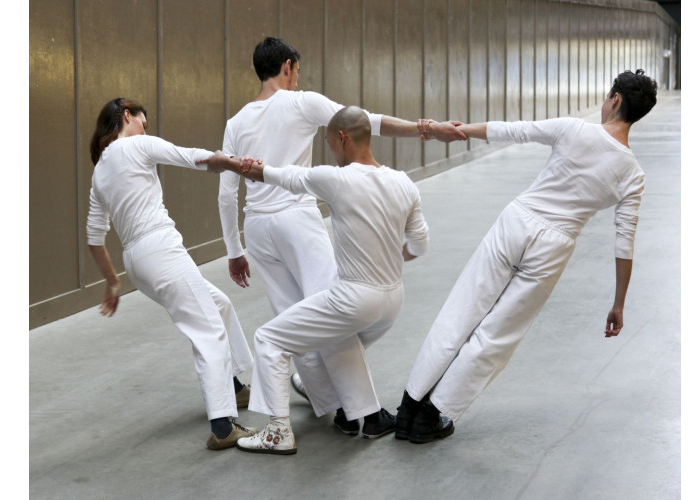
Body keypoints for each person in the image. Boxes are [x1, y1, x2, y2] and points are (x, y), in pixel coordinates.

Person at [397, 70, 659, 444]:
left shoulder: (573, 129)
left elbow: (513, 130)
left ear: (615, 99)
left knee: (462, 310)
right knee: (497, 334)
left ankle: (409, 406)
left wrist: (457, 129)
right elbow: (624, 242)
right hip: (555, 244)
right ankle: (431, 416)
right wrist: (619, 303)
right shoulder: (633, 174)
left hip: (517, 220)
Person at [218, 37, 463, 435]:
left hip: (257, 227)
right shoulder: (301, 102)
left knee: (293, 321)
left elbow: (228, 191)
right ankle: (362, 413)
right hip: (296, 216)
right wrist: (427, 128)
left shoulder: (236, 122)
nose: (297, 78)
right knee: (332, 316)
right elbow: (367, 121)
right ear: (287, 67)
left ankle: (335, 406)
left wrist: (234, 248)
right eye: (296, 71)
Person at [210, 106, 429, 454]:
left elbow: (277, 175)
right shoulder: (404, 183)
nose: (331, 152)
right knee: (332, 338)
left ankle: (278, 432)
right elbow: (419, 244)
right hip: (392, 302)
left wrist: (230, 163)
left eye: (329, 143)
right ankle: (355, 412)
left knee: (269, 339)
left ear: (341, 138)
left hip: (355, 299)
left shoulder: (335, 179)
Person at [86, 97, 260, 450]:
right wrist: (237, 164)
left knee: (219, 304)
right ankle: (223, 427)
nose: (144, 129)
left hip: (137, 262)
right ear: (126, 116)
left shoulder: (99, 172)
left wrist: (113, 280)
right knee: (208, 329)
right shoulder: (136, 145)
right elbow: (194, 157)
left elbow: (93, 237)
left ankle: (235, 388)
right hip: (160, 250)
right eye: (141, 122)